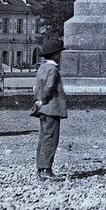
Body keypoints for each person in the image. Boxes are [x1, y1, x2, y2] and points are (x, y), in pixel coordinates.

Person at [32, 39, 67, 182]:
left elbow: (37, 87)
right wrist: (44, 99)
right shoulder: (54, 69)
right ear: (55, 55)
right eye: (59, 53)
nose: (61, 56)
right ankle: (47, 169)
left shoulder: (42, 68)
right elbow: (49, 87)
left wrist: (38, 101)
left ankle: (41, 168)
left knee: (43, 137)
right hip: (51, 108)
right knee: (51, 138)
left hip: (42, 109)